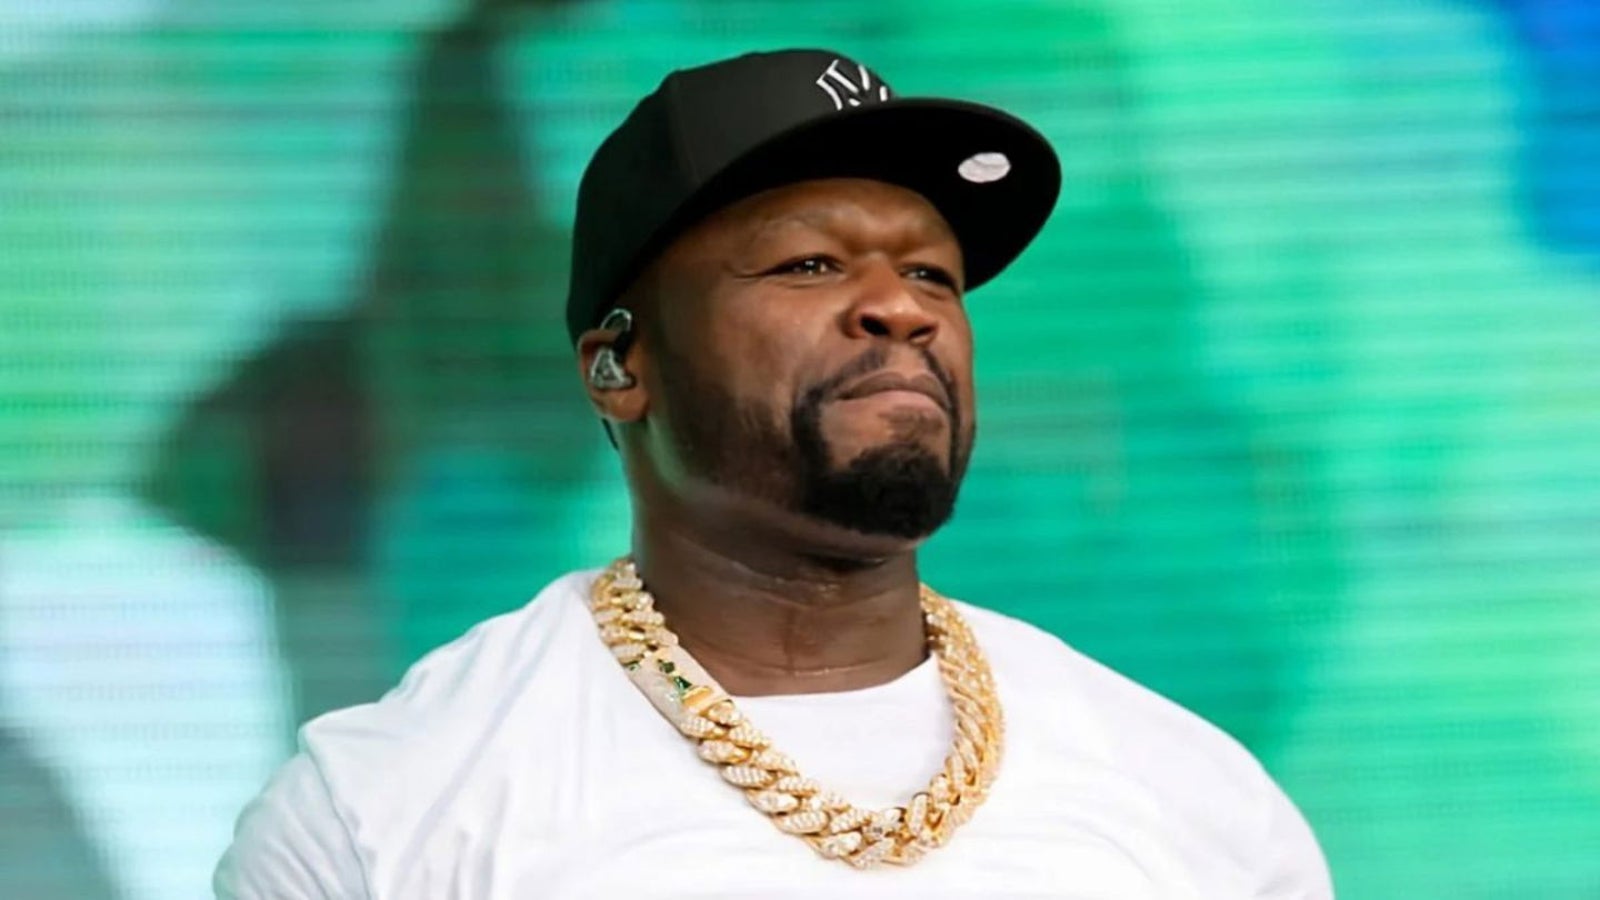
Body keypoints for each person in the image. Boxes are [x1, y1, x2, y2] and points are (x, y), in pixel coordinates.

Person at [214, 48, 1333, 898]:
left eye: (933, 277)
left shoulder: (1194, 796)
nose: (899, 308)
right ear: (617, 367)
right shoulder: (383, 812)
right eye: (808, 263)